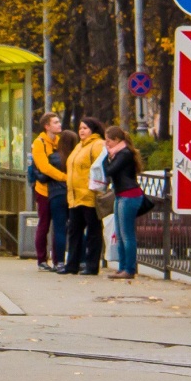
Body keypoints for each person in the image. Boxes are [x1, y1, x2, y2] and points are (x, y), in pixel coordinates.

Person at [64, 117, 105, 275]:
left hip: (89, 196)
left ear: (93, 130)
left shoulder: (97, 145)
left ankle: (92, 265)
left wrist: (95, 188)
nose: (82, 131)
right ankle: (72, 264)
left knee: (93, 232)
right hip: (75, 197)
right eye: (80, 128)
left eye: (85, 128)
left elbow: (99, 168)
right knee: (74, 231)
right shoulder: (79, 146)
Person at [103, 126, 144, 280]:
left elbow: (109, 170)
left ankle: (129, 268)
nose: (107, 144)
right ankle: (122, 267)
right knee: (119, 233)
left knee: (127, 234)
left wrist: (105, 157)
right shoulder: (118, 153)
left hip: (129, 195)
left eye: (109, 141)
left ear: (117, 140)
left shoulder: (124, 154)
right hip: (121, 195)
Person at [31, 113, 67, 271]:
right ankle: (41, 259)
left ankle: (58, 259)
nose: (59, 125)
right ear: (47, 126)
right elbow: (44, 167)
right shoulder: (39, 143)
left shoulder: (59, 142)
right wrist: (63, 177)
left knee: (59, 225)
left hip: (58, 190)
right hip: (44, 190)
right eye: (55, 122)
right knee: (44, 223)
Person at [48, 130, 77, 273]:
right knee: (76, 228)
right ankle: (79, 260)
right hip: (73, 194)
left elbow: (42, 176)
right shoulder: (76, 157)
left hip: (56, 194)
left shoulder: (53, 158)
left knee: (59, 228)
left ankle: (59, 261)